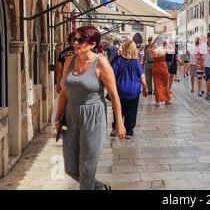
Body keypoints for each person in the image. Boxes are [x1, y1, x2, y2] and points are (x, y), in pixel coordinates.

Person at [54, 25, 126, 190]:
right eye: (75, 39)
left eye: (81, 40)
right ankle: (99, 187)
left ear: (93, 44)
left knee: (87, 167)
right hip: (71, 116)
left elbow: (114, 95)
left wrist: (120, 123)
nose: (76, 43)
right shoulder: (69, 61)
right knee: (70, 167)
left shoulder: (101, 63)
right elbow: (64, 92)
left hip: (93, 116)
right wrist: (58, 117)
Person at [110, 41, 148, 139]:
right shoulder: (135, 62)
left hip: (119, 90)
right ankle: (129, 131)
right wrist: (145, 88)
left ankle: (116, 127)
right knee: (131, 111)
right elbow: (142, 77)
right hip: (133, 91)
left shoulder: (116, 60)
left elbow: (111, 75)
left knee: (117, 109)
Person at [149, 36, 174, 106]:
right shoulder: (164, 49)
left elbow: (148, 48)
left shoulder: (154, 49)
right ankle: (167, 100)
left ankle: (157, 102)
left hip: (156, 67)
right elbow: (172, 49)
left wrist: (153, 42)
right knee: (165, 84)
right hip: (163, 67)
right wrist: (167, 42)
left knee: (157, 85)